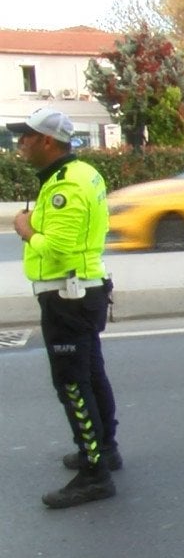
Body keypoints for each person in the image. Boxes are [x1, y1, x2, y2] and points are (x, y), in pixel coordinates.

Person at [7, 108, 120, 509]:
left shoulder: (65, 187)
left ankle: (94, 474)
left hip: (66, 297)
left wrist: (26, 230)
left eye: (27, 136)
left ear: (49, 142)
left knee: (72, 383)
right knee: (90, 374)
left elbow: (58, 248)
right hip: (81, 292)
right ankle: (104, 448)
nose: (21, 143)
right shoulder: (79, 174)